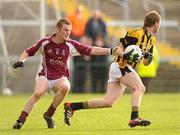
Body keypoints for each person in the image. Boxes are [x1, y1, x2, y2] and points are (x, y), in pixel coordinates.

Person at [12, 18, 117, 129]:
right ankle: (20, 120)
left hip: (60, 77)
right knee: (38, 93)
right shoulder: (45, 42)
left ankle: (49, 114)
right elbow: (27, 52)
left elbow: (91, 49)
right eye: (65, 30)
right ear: (57, 29)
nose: (68, 33)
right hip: (46, 76)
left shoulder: (70, 44)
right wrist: (21, 61)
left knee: (65, 86)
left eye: (69, 30)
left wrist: (110, 51)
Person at [64, 11, 161, 127]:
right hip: (121, 66)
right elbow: (118, 49)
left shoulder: (151, 40)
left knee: (108, 102)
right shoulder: (136, 33)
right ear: (155, 23)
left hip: (125, 68)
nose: (159, 25)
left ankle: (72, 106)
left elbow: (145, 63)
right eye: (159, 23)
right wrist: (126, 55)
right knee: (140, 88)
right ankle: (134, 118)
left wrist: (148, 58)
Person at [85, 9, 108, 92]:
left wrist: (101, 42)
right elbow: (87, 33)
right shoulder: (89, 23)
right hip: (92, 46)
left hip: (101, 59)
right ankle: (94, 90)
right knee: (93, 74)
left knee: (102, 76)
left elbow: (105, 33)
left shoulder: (102, 23)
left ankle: (102, 91)